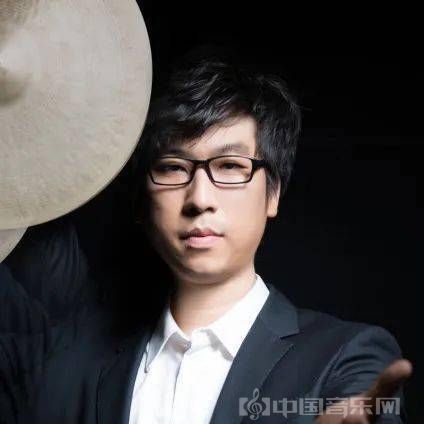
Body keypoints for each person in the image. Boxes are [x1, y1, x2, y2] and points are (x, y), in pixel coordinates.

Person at [0, 56, 413, 423]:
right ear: (141, 201)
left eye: (230, 166)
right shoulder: (76, 358)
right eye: (173, 167)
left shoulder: (346, 355)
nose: (200, 198)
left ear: (273, 193)